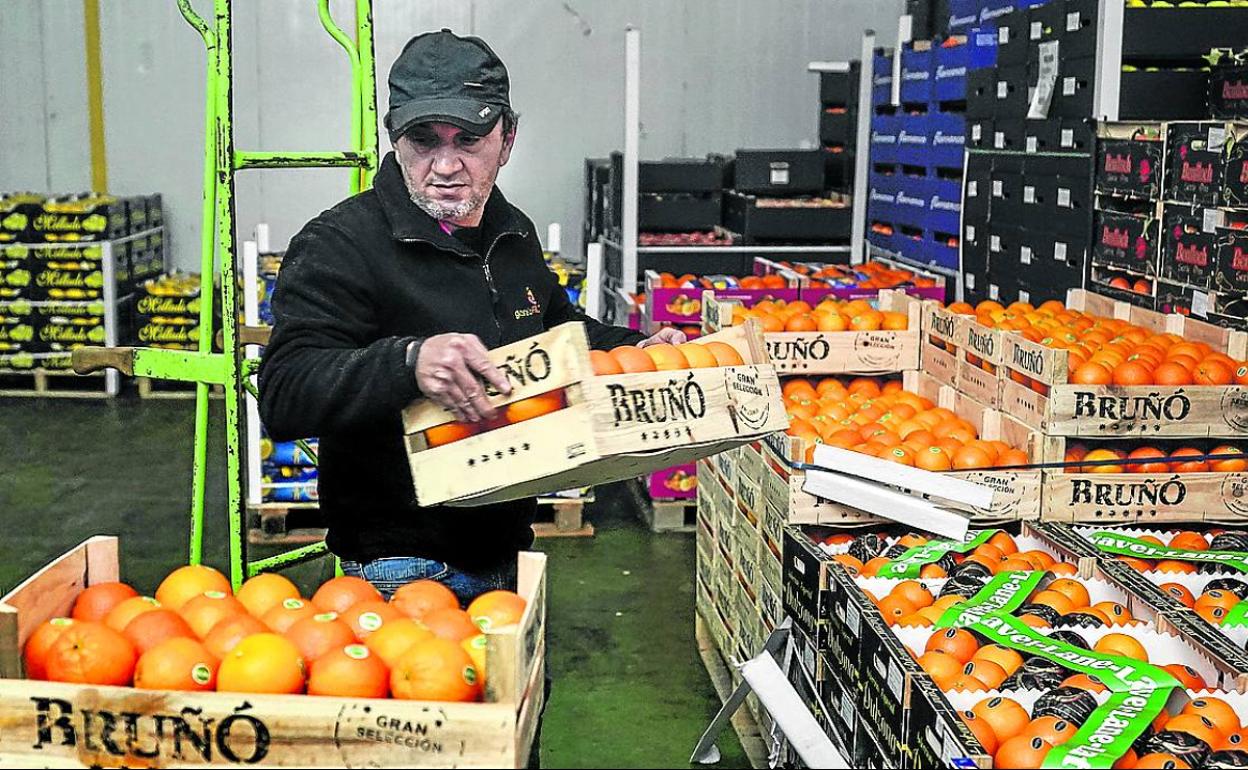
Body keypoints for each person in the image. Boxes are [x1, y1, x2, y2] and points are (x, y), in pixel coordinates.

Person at [258, 29, 684, 604]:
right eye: (423, 140)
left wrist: (642, 344)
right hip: (397, 567)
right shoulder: (340, 243)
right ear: (394, 139)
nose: (446, 165)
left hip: (506, 550)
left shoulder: (512, 233)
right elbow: (285, 391)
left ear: (507, 138)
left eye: (470, 139)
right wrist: (409, 363)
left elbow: (558, 330)